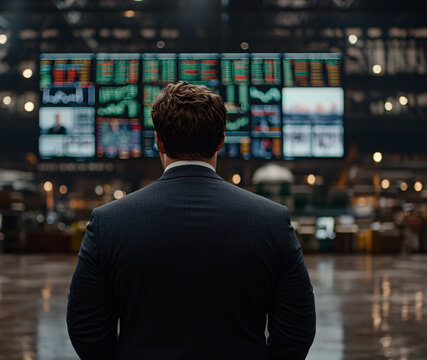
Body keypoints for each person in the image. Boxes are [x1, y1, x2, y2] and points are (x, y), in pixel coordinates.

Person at [67, 81, 316, 360]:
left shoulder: (108, 222)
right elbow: (297, 330)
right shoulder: (271, 220)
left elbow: (85, 327)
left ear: (158, 141)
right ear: (221, 140)